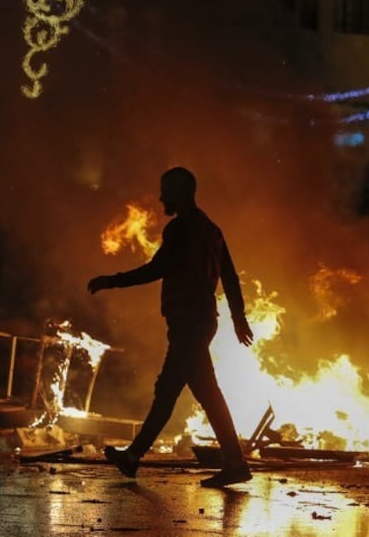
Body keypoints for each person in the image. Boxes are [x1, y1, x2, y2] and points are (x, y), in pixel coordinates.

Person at [87, 167, 254, 489]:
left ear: (179, 192)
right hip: (201, 320)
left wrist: (111, 281)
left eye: (165, 191)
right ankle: (233, 463)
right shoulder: (211, 229)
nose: (161, 197)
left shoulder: (181, 229)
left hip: (189, 322)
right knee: (197, 392)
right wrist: (238, 318)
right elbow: (230, 277)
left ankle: (135, 457)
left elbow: (157, 269)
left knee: (172, 391)